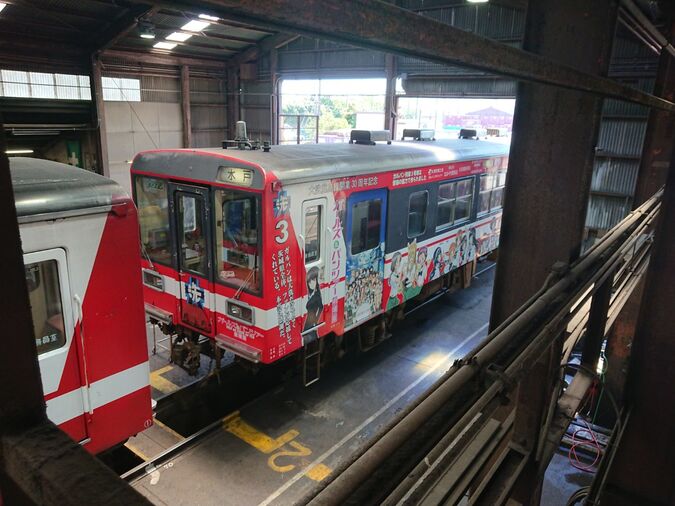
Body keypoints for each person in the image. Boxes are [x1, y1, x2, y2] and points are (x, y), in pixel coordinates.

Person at [304, 266, 324, 331]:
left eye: (314, 280)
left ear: (316, 281)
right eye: (309, 281)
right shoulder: (309, 295)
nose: (311, 283)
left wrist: (316, 322)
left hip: (312, 325)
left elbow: (321, 307)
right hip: (306, 324)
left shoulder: (317, 295)